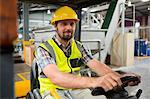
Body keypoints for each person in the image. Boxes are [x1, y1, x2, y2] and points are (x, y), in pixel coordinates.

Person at [35, 6, 139, 99]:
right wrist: (95, 81)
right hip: (53, 90)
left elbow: (96, 65)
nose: (68, 28)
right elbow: (56, 77)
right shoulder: (44, 49)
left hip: (76, 89)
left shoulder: (79, 47)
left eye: (72, 24)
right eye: (64, 24)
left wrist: (118, 77)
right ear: (55, 26)